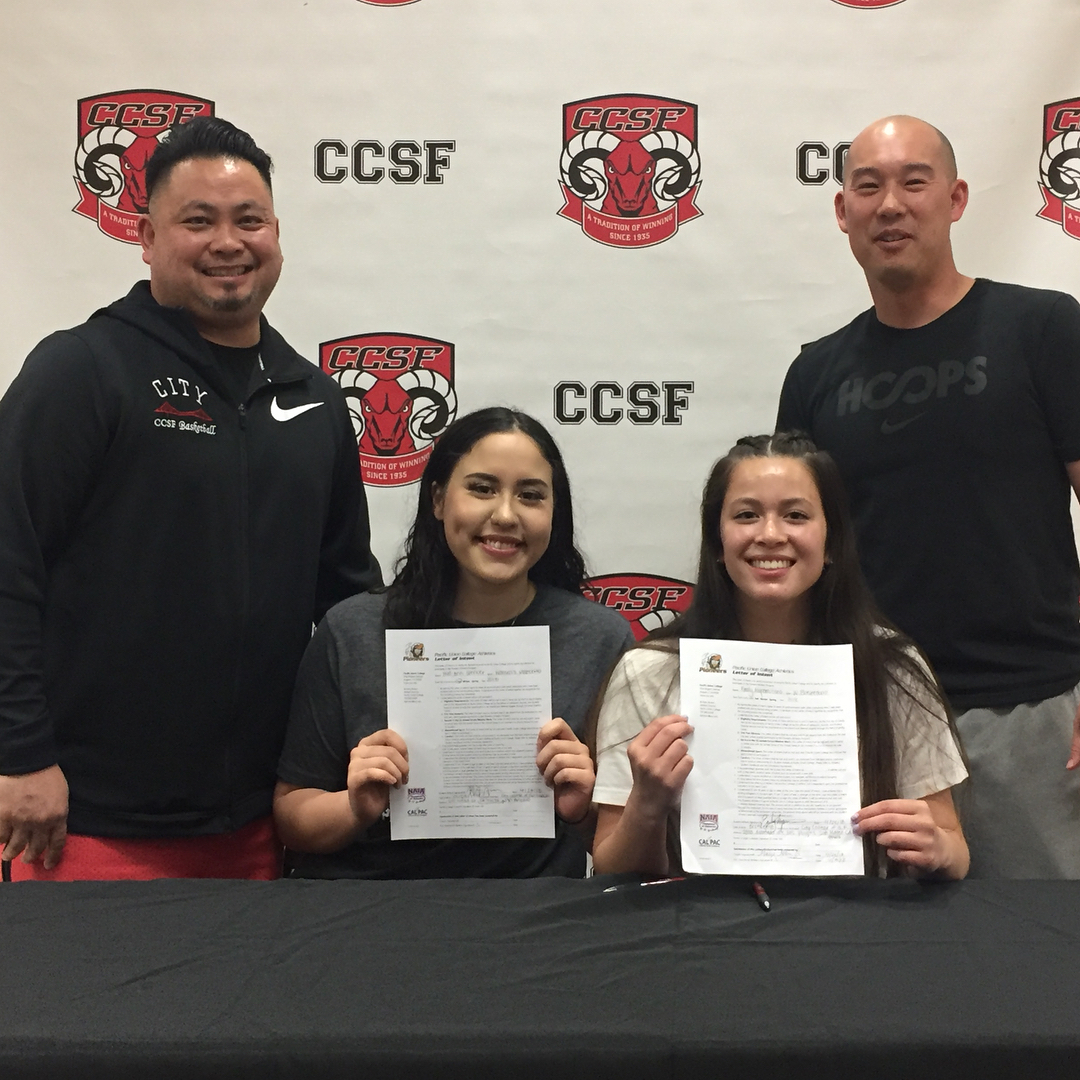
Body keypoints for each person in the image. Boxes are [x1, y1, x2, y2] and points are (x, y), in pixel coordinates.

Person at [0, 117, 379, 880]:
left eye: (249, 220)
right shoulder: (81, 371)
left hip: (261, 822)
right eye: (197, 220)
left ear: (277, 233)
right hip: (83, 816)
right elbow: (8, 567)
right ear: (145, 236)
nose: (227, 242)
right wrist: (21, 754)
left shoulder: (315, 400)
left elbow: (349, 602)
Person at [777, 114, 1080, 878]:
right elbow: (790, 560)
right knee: (893, 977)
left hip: (1032, 711)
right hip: (871, 721)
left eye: (914, 181)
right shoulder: (815, 374)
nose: (890, 205)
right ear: (842, 211)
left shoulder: (1042, 328)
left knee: (1045, 959)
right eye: (868, 185)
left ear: (956, 198)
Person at [274, 407, 634, 878]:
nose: (505, 515)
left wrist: (582, 808)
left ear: (553, 513)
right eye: (482, 488)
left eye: (530, 495)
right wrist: (355, 806)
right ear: (439, 500)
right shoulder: (354, 630)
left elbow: (622, 844)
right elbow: (292, 818)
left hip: (530, 914)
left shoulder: (600, 639)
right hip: (369, 905)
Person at [591, 432, 969, 880]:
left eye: (795, 515)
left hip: (852, 928)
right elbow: (612, 868)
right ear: (717, 542)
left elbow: (956, 853)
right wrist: (647, 806)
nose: (770, 535)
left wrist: (937, 847)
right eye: (747, 515)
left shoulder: (892, 667)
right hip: (703, 931)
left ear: (831, 542)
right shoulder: (650, 671)